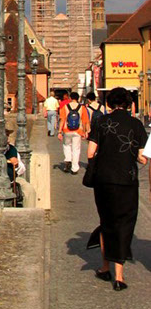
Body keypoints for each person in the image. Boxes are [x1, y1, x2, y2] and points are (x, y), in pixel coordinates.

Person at [86, 87, 148, 290]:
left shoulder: (101, 121)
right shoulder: (136, 124)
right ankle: (119, 277)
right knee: (124, 223)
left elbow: (90, 152)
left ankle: (105, 268)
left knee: (107, 221)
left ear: (110, 103)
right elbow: (142, 158)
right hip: (127, 180)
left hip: (104, 179)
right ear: (129, 104)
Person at [0, 129, 36, 207]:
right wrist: (7, 160)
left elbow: (22, 169)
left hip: (12, 180)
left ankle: (29, 212)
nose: (6, 138)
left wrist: (17, 164)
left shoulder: (12, 149)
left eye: (7, 136)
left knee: (29, 189)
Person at [58, 92, 90, 174]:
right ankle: (74, 168)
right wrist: (86, 132)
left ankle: (68, 159)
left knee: (66, 145)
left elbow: (62, 120)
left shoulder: (65, 107)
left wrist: (59, 131)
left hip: (67, 130)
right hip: (78, 131)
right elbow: (85, 121)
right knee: (76, 149)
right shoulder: (82, 107)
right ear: (78, 98)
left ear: (70, 98)